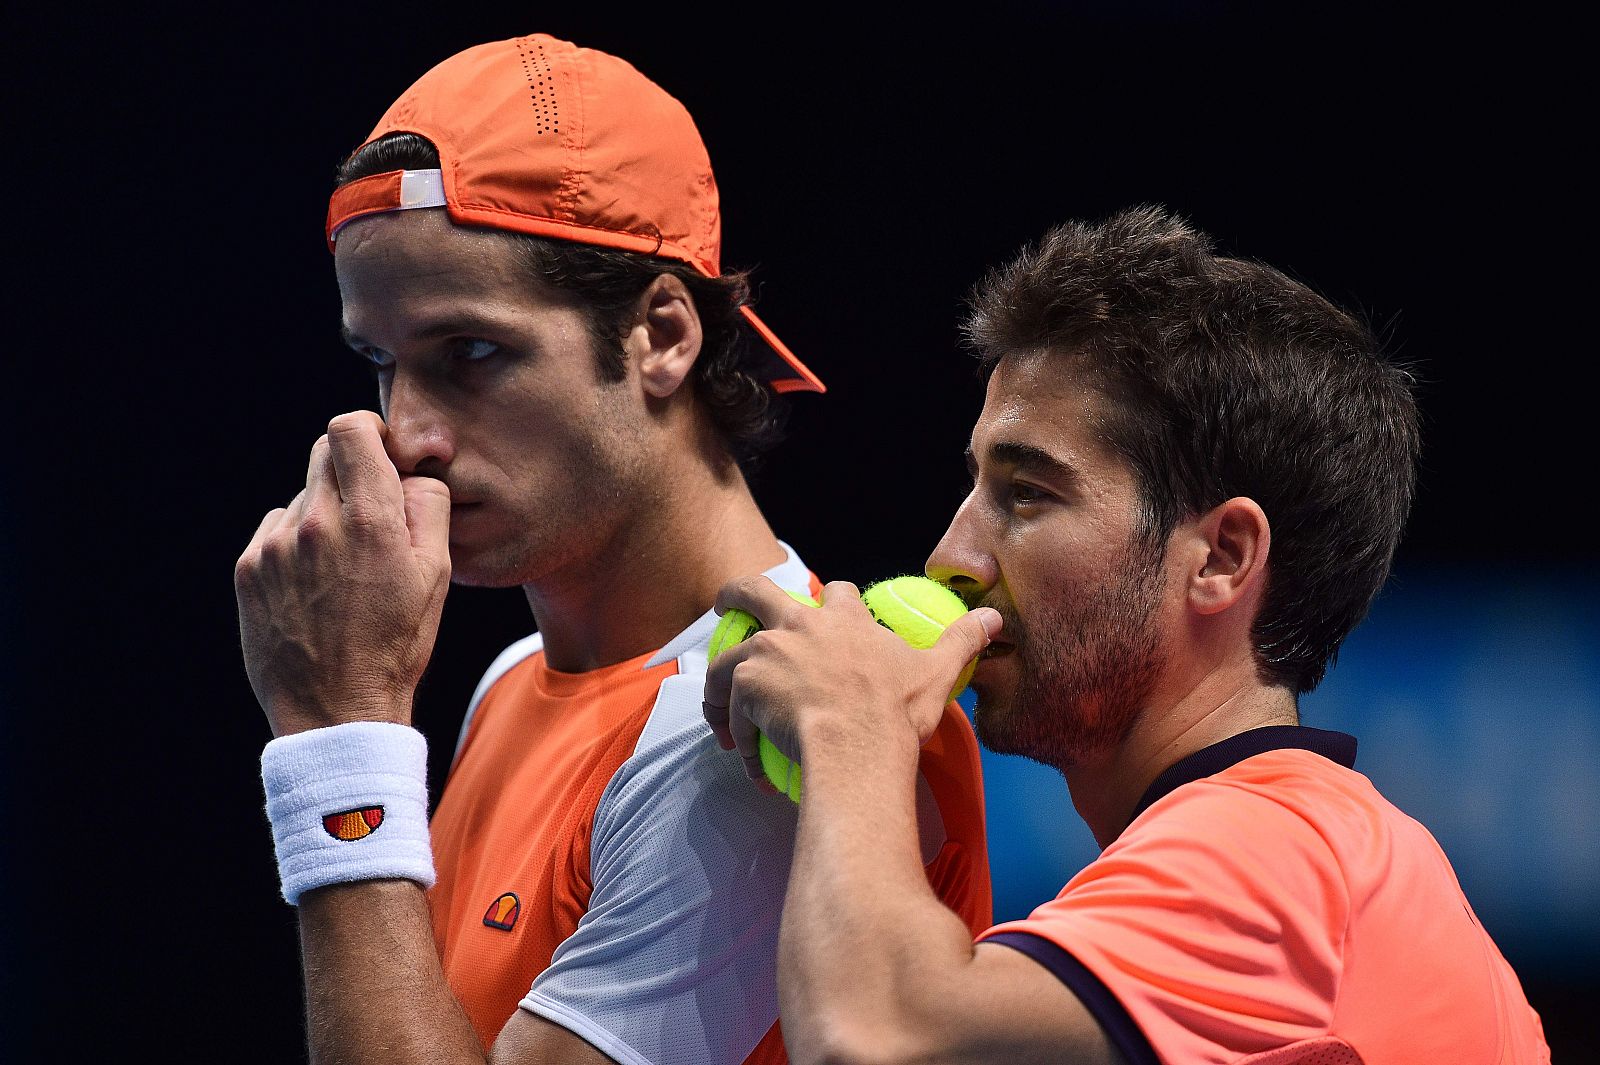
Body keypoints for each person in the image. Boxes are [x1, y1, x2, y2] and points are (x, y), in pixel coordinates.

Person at [232, 33, 990, 1065]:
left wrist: (338, 731)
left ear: (664, 336)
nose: (407, 433)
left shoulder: (758, 737)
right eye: (381, 361)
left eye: (471, 354)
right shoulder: (509, 679)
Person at [704, 206, 1551, 1064]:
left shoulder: (1282, 849)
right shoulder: (1304, 857)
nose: (950, 557)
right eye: (974, 489)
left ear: (1221, 557)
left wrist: (854, 729)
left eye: (1027, 494)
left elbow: (873, 1037)